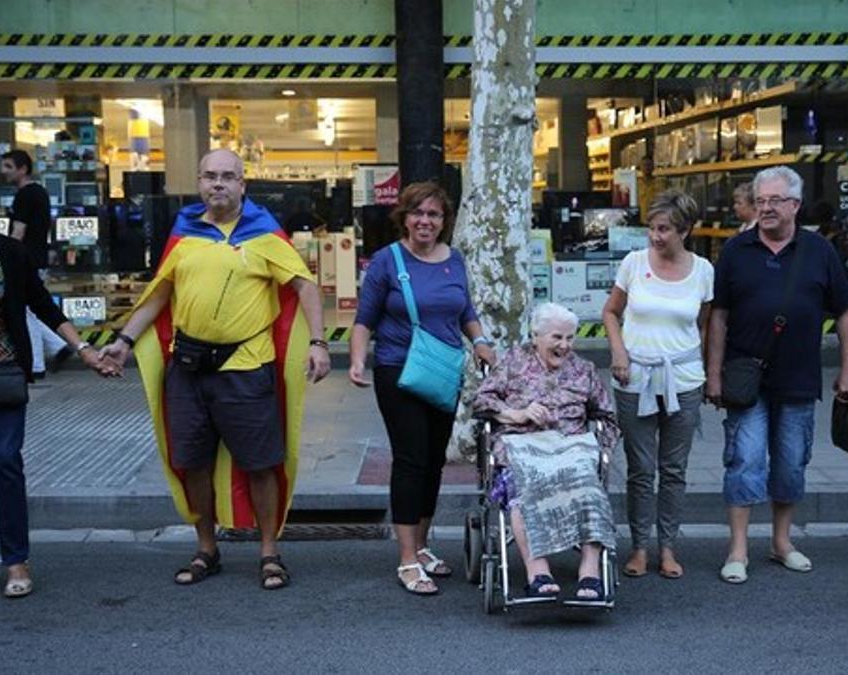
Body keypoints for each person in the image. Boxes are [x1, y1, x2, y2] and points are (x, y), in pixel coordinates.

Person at [99, 149, 331, 591]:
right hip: (187, 370)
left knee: (261, 465)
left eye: (228, 177)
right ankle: (207, 547)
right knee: (194, 463)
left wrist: (319, 343)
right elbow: (160, 292)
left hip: (246, 369)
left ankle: (269, 551)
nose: (218, 184)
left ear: (244, 184)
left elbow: (305, 287)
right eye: (210, 176)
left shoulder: (264, 234)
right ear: (199, 183)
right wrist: (124, 341)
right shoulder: (185, 231)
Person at [0, 171, 107, 598]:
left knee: (4, 458)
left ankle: (16, 561)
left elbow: (44, 305)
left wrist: (83, 348)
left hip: (3, 369)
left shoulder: (9, 251)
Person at [705, 166, 848, 584]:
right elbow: (717, 316)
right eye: (760, 201)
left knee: (791, 464)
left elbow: (845, 312)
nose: (767, 208)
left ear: (795, 205)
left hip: (799, 379)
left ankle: (781, 542)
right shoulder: (737, 250)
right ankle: (737, 549)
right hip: (746, 379)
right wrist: (713, 374)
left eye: (775, 201)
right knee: (745, 460)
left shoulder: (819, 251)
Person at [348, 181, 496, 595]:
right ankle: (407, 558)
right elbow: (365, 319)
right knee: (411, 459)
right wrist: (358, 359)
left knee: (434, 461)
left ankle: (424, 543)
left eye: (434, 214)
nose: (426, 221)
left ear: (444, 221)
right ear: (404, 217)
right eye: (418, 213)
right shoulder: (387, 261)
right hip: (399, 370)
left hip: (444, 370)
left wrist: (481, 342)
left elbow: (465, 309)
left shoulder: (455, 260)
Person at [474, 302, 619, 601]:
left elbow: (607, 418)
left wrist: (600, 453)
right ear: (535, 336)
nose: (564, 345)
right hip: (521, 444)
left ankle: (590, 574)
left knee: (590, 488)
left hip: (571, 447)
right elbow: (481, 402)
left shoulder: (584, 370)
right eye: (556, 337)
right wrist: (517, 413)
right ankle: (538, 573)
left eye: (569, 338)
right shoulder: (513, 362)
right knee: (524, 490)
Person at [603, 190, 712, 579]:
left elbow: (702, 323)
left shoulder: (703, 270)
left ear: (686, 230)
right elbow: (611, 312)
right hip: (634, 377)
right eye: (651, 228)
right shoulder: (633, 264)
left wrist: (710, 374)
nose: (655, 236)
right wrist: (619, 354)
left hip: (683, 379)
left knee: (674, 468)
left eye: (664, 229)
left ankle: (668, 547)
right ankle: (638, 547)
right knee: (640, 468)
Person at [0, 149, 70, 377]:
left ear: (23, 169)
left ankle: (36, 364)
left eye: (9, 166)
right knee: (29, 308)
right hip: (37, 256)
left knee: (23, 309)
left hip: (24, 259)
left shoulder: (24, 196)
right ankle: (58, 347)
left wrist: (5, 256)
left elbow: (19, 231)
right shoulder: (40, 192)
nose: (4, 171)